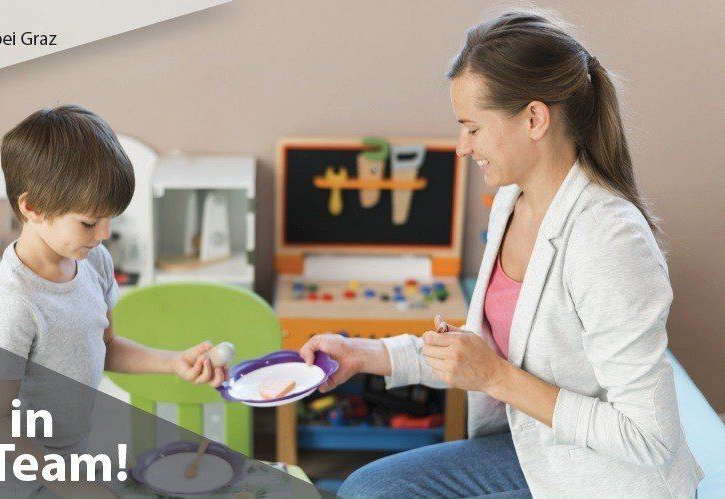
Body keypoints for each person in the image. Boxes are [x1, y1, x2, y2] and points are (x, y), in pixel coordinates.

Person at [301, 10, 704, 498]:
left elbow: (649, 438)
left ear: (534, 119)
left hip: (609, 477)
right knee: (369, 488)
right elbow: (483, 351)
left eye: (472, 128)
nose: (461, 147)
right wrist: (365, 354)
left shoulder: (609, 241)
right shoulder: (512, 205)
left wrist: (497, 378)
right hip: (539, 449)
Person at [0, 105, 226, 498]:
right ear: (32, 207)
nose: (103, 234)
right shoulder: (15, 304)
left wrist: (172, 363)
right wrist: (67, 483)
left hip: (69, 461)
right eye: (90, 223)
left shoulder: (93, 262)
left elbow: (103, 346)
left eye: (111, 219)